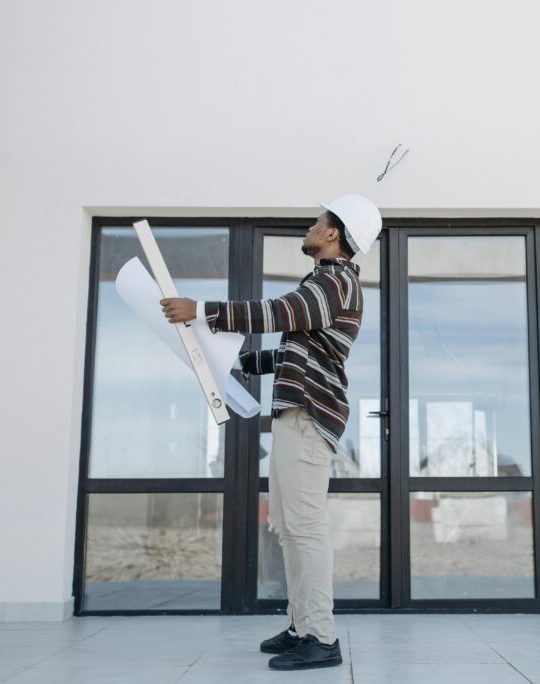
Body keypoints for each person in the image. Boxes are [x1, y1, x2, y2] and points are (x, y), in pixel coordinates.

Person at [160, 194, 382, 671]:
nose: (310, 226)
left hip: (307, 416)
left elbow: (278, 313)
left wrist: (200, 310)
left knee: (306, 529)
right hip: (293, 415)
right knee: (288, 529)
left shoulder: (335, 280)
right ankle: (302, 626)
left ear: (332, 234)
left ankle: (322, 638)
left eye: (317, 221)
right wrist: (227, 361)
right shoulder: (324, 285)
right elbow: (288, 354)